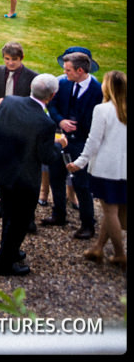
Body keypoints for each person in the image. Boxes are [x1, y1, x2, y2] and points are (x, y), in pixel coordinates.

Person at [0, 74, 65, 276]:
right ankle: (3, 265)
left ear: (31, 87)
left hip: (2, 169)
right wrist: (59, 145)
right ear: (52, 95)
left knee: (8, 215)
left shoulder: (9, 102)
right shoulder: (46, 124)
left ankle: (10, 250)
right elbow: (46, 157)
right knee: (19, 222)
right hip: (24, 178)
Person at [67, 70, 127, 269]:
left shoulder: (102, 110)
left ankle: (119, 254)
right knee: (115, 213)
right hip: (124, 171)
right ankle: (98, 248)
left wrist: (79, 162)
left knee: (110, 212)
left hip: (107, 170)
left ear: (107, 86)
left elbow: (93, 142)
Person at [46, 48, 103, 239]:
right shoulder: (62, 84)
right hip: (60, 139)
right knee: (56, 177)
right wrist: (60, 121)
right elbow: (51, 105)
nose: (64, 72)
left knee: (82, 185)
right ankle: (58, 214)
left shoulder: (98, 91)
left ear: (80, 71)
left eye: (68, 70)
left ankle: (88, 224)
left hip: (82, 143)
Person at [0, 41, 37, 217]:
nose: (10, 63)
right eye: (7, 59)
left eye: (14, 59)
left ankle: (20, 207)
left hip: (20, 130)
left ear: (22, 58)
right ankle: (3, 203)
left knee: (19, 169)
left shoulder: (32, 77)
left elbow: (36, 103)